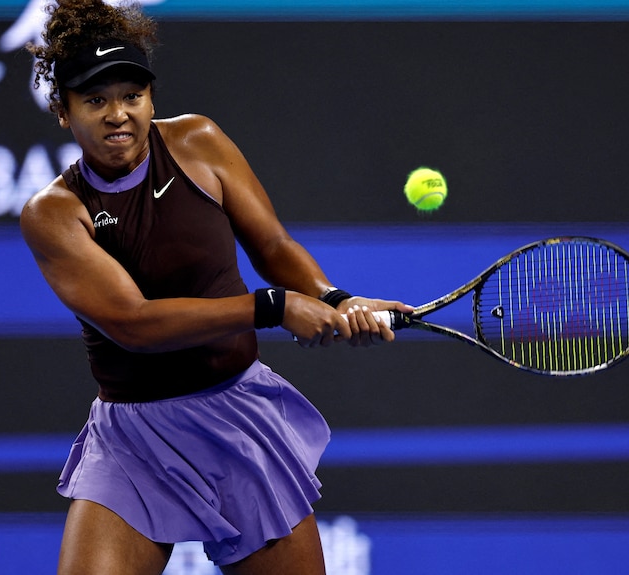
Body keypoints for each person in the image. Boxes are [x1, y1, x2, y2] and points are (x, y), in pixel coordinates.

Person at [21, 1, 413, 573]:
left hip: (237, 419)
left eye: (132, 95)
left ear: (151, 98)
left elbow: (273, 247)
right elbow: (134, 322)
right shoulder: (54, 213)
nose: (118, 114)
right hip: (134, 438)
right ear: (63, 111)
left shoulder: (198, 143)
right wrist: (274, 307)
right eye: (95, 100)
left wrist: (334, 299)